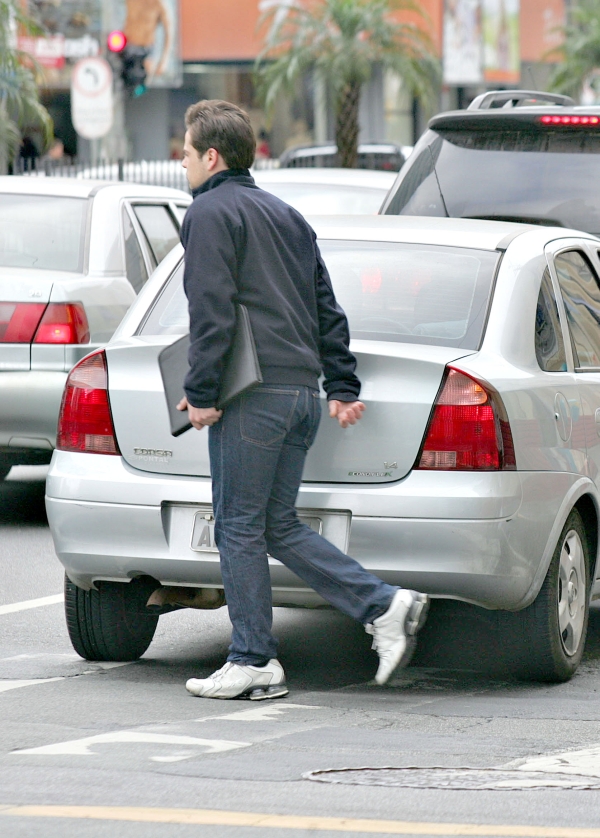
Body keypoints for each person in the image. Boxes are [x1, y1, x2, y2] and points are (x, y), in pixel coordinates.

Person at [177, 99, 429, 701]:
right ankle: (383, 605)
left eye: (185, 152)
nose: (181, 163)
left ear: (211, 157)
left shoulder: (209, 211)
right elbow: (326, 307)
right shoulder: (286, 215)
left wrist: (201, 392)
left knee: (237, 527)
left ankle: (253, 658)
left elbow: (210, 310)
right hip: (300, 397)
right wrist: (340, 385)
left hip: (253, 396)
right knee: (277, 525)